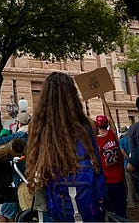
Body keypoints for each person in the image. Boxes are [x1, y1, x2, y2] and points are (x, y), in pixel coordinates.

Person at [26, 72, 107, 222]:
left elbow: (34, 162)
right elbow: (97, 164)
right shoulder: (86, 126)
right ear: (72, 96)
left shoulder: (37, 126)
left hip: (51, 200)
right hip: (87, 201)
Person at [95, 94, 127, 219]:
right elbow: (111, 118)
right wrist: (103, 100)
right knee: (121, 211)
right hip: (119, 180)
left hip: (106, 181)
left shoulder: (97, 141)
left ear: (97, 126)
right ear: (107, 124)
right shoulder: (112, 134)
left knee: (108, 212)